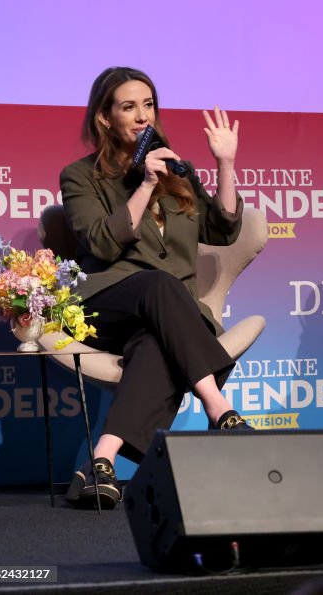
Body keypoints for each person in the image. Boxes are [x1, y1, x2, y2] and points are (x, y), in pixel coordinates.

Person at [60, 66, 252, 509]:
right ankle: (218, 407)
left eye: (148, 105)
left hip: (166, 316)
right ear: (105, 117)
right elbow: (103, 243)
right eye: (129, 106)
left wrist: (225, 163)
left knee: (155, 343)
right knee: (160, 287)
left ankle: (99, 463)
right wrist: (145, 183)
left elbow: (223, 230)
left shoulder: (175, 168)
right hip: (107, 305)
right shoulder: (80, 176)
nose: (143, 115)